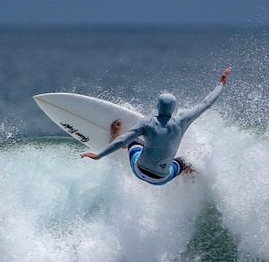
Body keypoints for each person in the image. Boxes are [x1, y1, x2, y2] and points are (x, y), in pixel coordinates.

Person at [82, 67, 231, 185]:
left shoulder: (147, 122)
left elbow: (123, 140)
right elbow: (207, 103)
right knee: (184, 163)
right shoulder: (182, 121)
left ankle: (113, 136)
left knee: (133, 141)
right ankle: (190, 180)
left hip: (138, 169)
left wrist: (98, 156)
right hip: (161, 179)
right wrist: (221, 83)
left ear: (157, 106)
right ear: (174, 108)